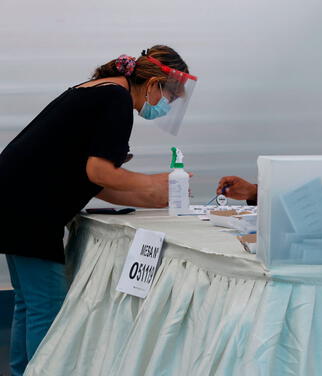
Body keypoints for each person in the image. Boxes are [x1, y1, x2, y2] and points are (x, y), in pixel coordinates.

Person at [0, 45, 196, 375]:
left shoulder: (99, 91)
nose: (163, 107)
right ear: (153, 85)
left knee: (29, 302)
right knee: (48, 305)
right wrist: (155, 183)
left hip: (14, 200)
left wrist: (152, 197)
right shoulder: (116, 100)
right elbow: (100, 173)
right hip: (30, 210)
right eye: (168, 98)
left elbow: (91, 180)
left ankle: (24, 371)